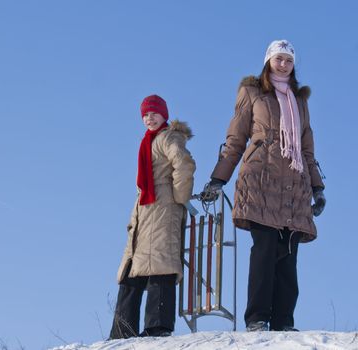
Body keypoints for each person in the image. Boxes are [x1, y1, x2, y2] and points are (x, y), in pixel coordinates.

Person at [202, 40, 326, 332]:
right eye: (278, 59)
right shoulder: (252, 92)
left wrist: (317, 188)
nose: (283, 64)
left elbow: (307, 149)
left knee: (289, 254)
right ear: (268, 61)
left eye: (288, 60)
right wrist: (219, 178)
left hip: (294, 187)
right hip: (260, 180)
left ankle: (284, 320)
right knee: (264, 250)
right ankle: (257, 317)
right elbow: (236, 138)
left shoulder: (300, 101)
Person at [109, 95, 196, 339]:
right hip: (144, 213)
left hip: (163, 210)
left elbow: (184, 163)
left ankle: (158, 327)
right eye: (145, 114)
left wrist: (179, 196)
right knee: (131, 271)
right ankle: (122, 331)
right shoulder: (148, 141)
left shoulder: (168, 137)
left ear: (164, 114)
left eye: (154, 113)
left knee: (161, 265)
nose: (149, 118)